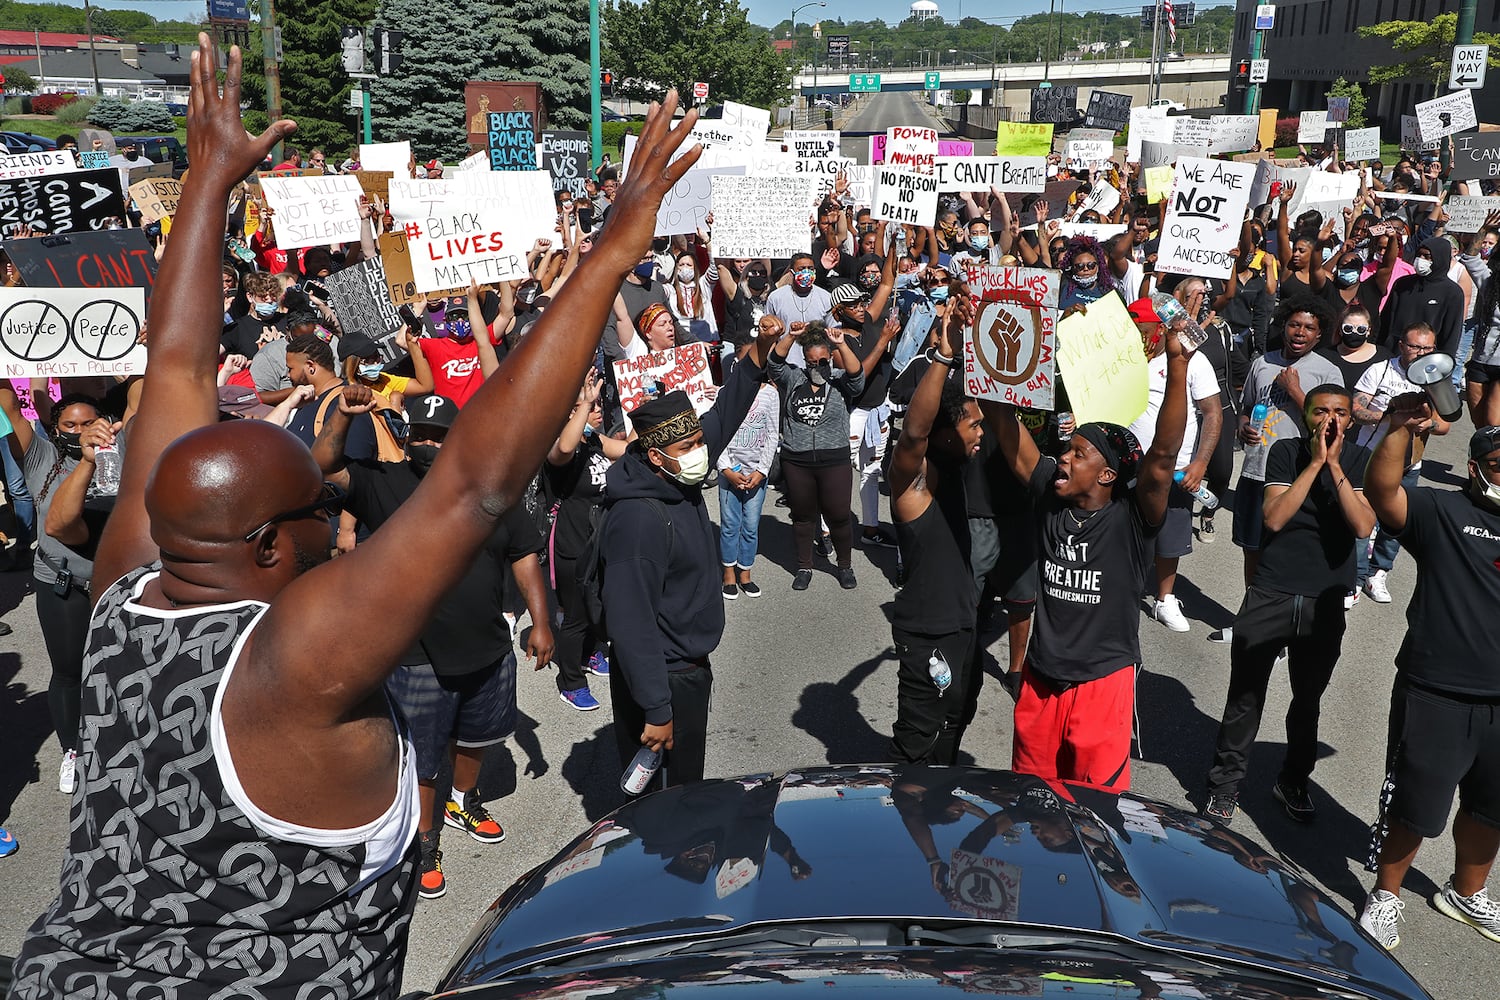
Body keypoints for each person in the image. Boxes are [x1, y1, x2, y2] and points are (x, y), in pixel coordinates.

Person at [10, 40, 706, 997]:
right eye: (314, 502)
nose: (330, 508)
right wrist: (618, 246)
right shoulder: (292, 657)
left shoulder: (125, 588)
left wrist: (209, 182)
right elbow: (473, 486)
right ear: (264, 545)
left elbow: (172, 368)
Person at [313, 387, 555, 900]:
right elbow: (324, 464)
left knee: (479, 737)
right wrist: (340, 414)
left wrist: (542, 620)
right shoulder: (385, 484)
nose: (428, 443)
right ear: (407, 438)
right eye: (420, 434)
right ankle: (424, 840)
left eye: (439, 436)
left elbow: (525, 553)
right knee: (422, 757)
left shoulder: (491, 488)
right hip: (416, 657)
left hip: (487, 647)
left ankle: (461, 801)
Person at [989, 311, 1192, 792]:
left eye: (1078, 454)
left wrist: (1178, 366)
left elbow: (1162, 458)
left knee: (1095, 811)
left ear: (1107, 475)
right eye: (1067, 450)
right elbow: (1003, 424)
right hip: (1040, 679)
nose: (1063, 457)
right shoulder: (1050, 495)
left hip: (1102, 683)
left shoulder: (1132, 517)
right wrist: (983, 346)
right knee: (1031, 800)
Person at [597, 321, 776, 791]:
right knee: (662, 808)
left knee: (686, 789)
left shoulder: (678, 472)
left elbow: (727, 410)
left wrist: (760, 350)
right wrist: (657, 708)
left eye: (700, 443)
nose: (701, 453)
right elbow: (631, 621)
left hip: (687, 673)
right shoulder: (639, 520)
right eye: (689, 447)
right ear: (656, 457)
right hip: (663, 679)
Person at [1202, 384, 1375, 826]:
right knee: (1245, 693)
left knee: (1307, 699)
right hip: (1273, 591)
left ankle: (1293, 779)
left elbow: (1361, 526)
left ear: (1351, 420)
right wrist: (1315, 461)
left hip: (1326, 599)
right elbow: (1274, 517)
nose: (1330, 420)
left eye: (1339, 411)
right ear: (1307, 417)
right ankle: (1224, 787)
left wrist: (1334, 464)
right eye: (1320, 411)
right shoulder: (1285, 452)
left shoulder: (1359, 460)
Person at [1360, 417, 1500, 952]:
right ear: (1475, 469)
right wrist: (1399, 426)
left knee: (1492, 806)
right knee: (1415, 806)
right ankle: (1385, 895)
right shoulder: (1443, 511)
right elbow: (1383, 490)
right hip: (1437, 689)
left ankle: (1467, 892)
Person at [0, 389, 121, 794]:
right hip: (62, 584)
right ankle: (72, 750)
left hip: (116, 587)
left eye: (89, 423)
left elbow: (142, 397)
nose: (81, 431)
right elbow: (11, 407)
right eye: (70, 425)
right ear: (55, 429)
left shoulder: (122, 454)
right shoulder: (41, 459)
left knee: (116, 671)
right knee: (68, 671)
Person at [886, 294, 985, 764]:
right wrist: (943, 357)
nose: (980, 432)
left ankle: (939, 823)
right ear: (947, 430)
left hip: (964, 627)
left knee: (955, 727)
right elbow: (914, 432)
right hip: (928, 636)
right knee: (920, 749)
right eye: (972, 425)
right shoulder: (912, 482)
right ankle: (910, 825)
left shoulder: (960, 464)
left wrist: (967, 336)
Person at [1228, 296, 1344, 597]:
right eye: (1294, 325)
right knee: (1251, 548)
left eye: (1309, 327)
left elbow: (1331, 425)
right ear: (1284, 326)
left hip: (1297, 475)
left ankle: (1280, 616)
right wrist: (1242, 427)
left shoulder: (1327, 372)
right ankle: (1252, 613)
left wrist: (1294, 390)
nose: (1300, 332)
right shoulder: (1261, 363)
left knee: (1286, 550)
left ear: (1319, 334)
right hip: (1256, 469)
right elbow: (1247, 407)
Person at [1125, 298, 1222, 634]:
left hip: (1175, 467)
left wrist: (1200, 463)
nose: (1135, 334)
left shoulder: (1191, 361)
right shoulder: (1123, 357)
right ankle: (1123, 592)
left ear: (1160, 329)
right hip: (1125, 465)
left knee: (1169, 538)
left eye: (1142, 328)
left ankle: (1164, 599)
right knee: (1124, 532)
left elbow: (1212, 412)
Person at [1351, 321, 1451, 604]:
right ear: (1401, 346)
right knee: (1362, 519)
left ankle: (1378, 572)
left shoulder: (1437, 377)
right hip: (1369, 457)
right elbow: (1356, 409)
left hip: (1409, 464)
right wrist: (1388, 417)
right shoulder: (1380, 370)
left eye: (1428, 347)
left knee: (1396, 523)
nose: (1421, 353)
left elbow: (1446, 425)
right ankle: (1355, 579)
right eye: (1415, 346)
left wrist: (1428, 424)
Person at [546, 370, 627, 710]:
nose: (594, 410)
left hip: (599, 540)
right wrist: (585, 402)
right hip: (572, 544)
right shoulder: (556, 446)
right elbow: (564, 446)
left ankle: (592, 654)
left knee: (599, 605)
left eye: (594, 405)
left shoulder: (593, 441)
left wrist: (644, 407)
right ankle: (570, 681)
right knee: (577, 616)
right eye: (584, 406)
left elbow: (627, 450)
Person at [768, 322, 866, 590]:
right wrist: (791, 336)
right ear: (805, 361)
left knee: (838, 515)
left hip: (834, 459)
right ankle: (804, 566)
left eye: (823, 360)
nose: (818, 366)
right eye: (812, 362)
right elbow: (774, 364)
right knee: (802, 515)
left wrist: (841, 345)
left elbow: (858, 378)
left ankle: (844, 566)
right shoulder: (794, 378)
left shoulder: (839, 381)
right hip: (797, 460)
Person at [719, 332, 782, 599]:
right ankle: (729, 573)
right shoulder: (725, 393)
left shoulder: (770, 395)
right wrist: (726, 470)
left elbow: (771, 435)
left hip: (756, 472)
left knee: (751, 524)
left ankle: (746, 571)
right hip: (730, 470)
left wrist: (761, 471)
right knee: (730, 523)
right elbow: (717, 433)